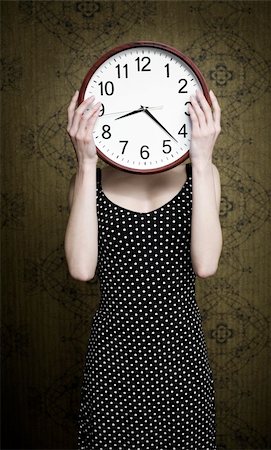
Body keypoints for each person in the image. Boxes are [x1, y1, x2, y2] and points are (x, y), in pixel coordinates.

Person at [64, 88, 222, 449]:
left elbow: (206, 263)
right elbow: (81, 268)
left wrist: (201, 159)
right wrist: (86, 164)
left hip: (180, 361)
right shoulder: (91, 181)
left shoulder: (205, 173)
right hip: (113, 361)